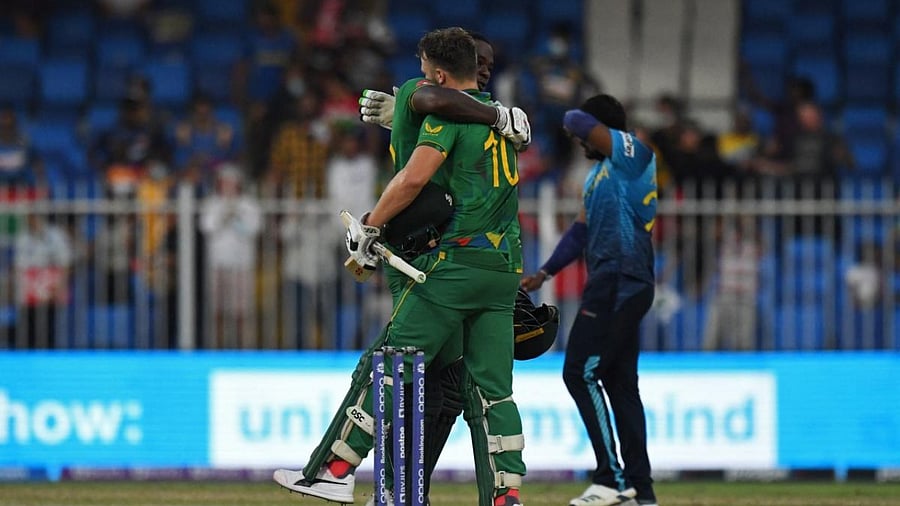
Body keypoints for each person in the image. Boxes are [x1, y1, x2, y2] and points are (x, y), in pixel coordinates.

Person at [274, 28, 531, 506]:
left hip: (453, 265)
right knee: (493, 393)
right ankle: (505, 496)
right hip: (503, 269)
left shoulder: (439, 108)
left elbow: (413, 178)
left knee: (390, 365)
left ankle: (335, 469)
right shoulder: (506, 125)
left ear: (435, 72)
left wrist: (371, 224)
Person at [520, 94, 659, 506]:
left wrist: (564, 112)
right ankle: (641, 489)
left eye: (585, 135)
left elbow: (578, 119)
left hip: (620, 278)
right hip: (613, 281)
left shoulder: (634, 153)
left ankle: (611, 480)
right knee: (620, 384)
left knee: (579, 372)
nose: (579, 142)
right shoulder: (598, 175)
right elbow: (580, 231)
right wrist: (546, 271)